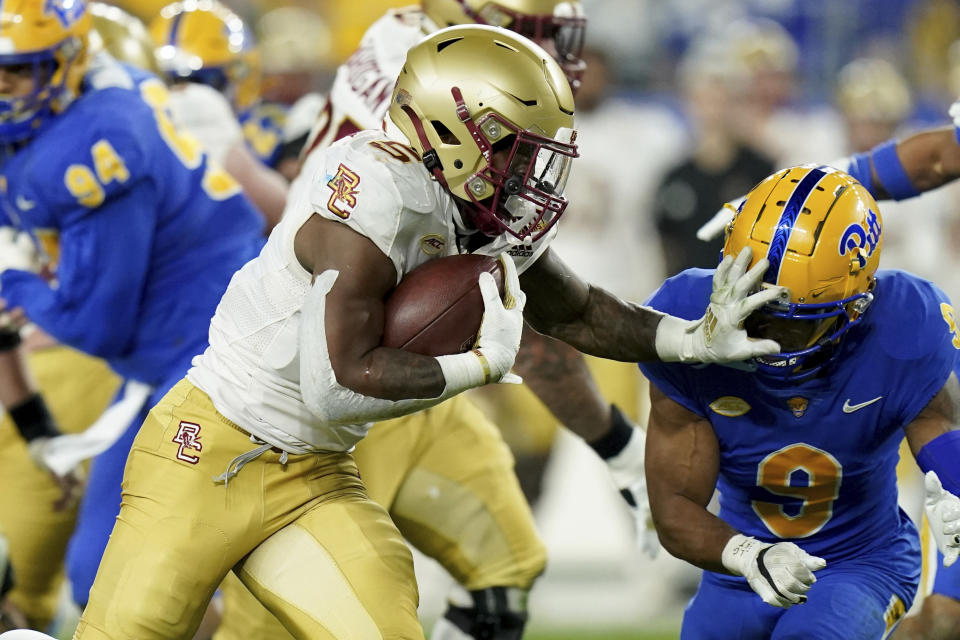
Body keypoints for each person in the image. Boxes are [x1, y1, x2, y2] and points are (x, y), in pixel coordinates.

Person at [73, 24, 781, 640]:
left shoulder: (480, 202)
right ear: (451, 131)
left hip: (314, 475)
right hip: (209, 449)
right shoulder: (373, 193)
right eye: (511, 149)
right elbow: (334, 384)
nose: (527, 171)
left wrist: (691, 338)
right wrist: (480, 366)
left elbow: (576, 309)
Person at [0, 0, 264, 618]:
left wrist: (17, 281)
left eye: (19, 70)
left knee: (160, 577)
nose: (2, 88)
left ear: (66, 64)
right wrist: (38, 429)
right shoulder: (79, 112)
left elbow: (97, 323)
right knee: (101, 578)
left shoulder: (93, 140)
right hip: (164, 360)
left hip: (218, 350)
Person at [640, 164, 960, 638]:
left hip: (860, 562)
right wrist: (750, 555)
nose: (767, 335)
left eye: (794, 320)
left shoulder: (904, 324)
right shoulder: (685, 317)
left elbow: (945, 455)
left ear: (857, 303)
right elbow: (674, 511)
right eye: (754, 308)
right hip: (738, 568)